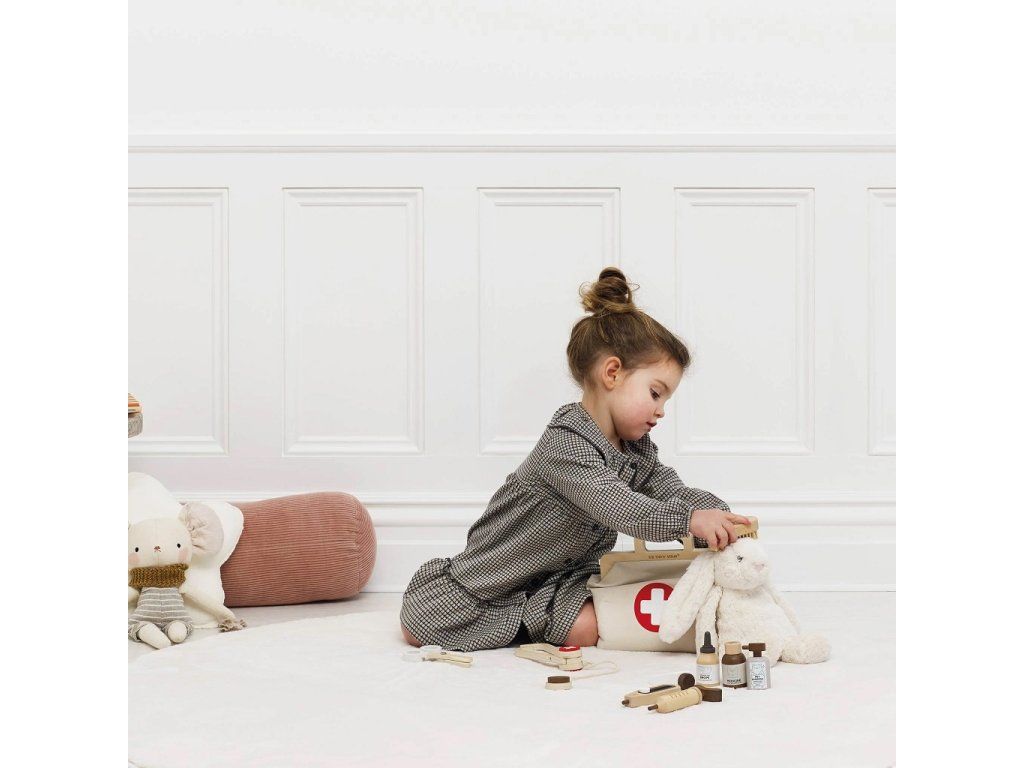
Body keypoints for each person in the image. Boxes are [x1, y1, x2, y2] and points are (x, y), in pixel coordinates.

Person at [400, 266, 749, 652]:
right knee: (424, 626)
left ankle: (535, 616)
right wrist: (688, 521)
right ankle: (507, 620)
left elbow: (669, 488)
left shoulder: (634, 449)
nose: (661, 410)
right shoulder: (566, 444)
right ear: (612, 373)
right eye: (655, 393)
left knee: (589, 627)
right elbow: (622, 507)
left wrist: (717, 513)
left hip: (558, 579)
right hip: (493, 580)